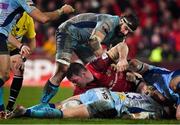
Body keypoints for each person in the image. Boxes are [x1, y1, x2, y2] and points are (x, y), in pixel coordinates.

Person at [41, 13, 139, 103]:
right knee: (63, 70)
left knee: (94, 71)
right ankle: (43, 103)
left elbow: (113, 57)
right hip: (68, 32)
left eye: (128, 32)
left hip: (84, 43)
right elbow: (94, 41)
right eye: (125, 28)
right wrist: (105, 60)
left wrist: (127, 71)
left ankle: (85, 101)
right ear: (121, 21)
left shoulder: (120, 35)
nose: (125, 33)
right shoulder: (110, 22)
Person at [0, 0, 74, 117]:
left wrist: (22, 53)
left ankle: (6, 108)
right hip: (3, 37)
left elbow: (31, 41)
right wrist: (61, 10)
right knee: (3, 74)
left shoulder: (24, 17)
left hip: (5, 38)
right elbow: (43, 18)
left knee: (4, 75)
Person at [8, 87, 166, 119]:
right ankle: (28, 112)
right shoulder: (158, 112)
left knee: (59, 104)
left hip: (102, 91)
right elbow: (131, 117)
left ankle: (25, 109)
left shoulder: (148, 94)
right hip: (108, 102)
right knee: (65, 113)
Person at [66, 42, 143, 95]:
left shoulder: (97, 64)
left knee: (149, 91)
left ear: (82, 74)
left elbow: (121, 45)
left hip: (135, 83)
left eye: (75, 81)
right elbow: (74, 102)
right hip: (125, 100)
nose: (74, 84)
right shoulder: (78, 90)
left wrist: (122, 60)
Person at [5, 11, 36, 112]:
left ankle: (9, 107)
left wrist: (23, 58)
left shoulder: (28, 19)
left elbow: (32, 42)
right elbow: (4, 33)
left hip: (13, 49)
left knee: (20, 68)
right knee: (3, 75)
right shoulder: (5, 13)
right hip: (2, 46)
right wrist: (21, 45)